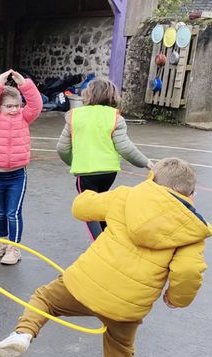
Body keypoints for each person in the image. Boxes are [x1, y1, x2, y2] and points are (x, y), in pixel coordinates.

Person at [0, 158, 212, 357]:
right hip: (128, 305)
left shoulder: (127, 196)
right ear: (191, 195)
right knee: (120, 351)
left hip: (85, 283)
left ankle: (23, 333)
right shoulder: (192, 231)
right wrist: (176, 298)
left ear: (150, 180)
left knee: (45, 299)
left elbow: (81, 207)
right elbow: (189, 271)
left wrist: (95, 193)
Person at [55, 77, 153, 239]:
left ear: (87, 95)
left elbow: (62, 148)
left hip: (86, 173)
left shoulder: (75, 116)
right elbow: (125, 147)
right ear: (112, 96)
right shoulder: (115, 117)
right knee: (101, 205)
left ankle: (100, 244)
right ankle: (111, 237)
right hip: (108, 173)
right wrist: (146, 162)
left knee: (88, 209)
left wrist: (74, 162)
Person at [0, 69, 42, 265]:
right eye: (9, 106)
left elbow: (36, 104)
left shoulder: (24, 117)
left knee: (13, 212)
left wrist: (25, 85)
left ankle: (14, 248)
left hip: (17, 175)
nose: (14, 109)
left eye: (17, 105)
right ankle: (2, 243)